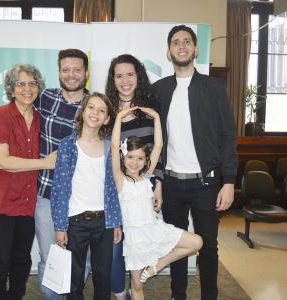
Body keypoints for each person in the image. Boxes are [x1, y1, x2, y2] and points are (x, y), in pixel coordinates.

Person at [153, 25, 238, 300]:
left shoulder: (213, 88)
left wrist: (229, 181)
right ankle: (178, 294)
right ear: (169, 52)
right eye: (176, 42)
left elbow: (227, 135)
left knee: (208, 247)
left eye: (187, 41)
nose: (181, 46)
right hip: (172, 184)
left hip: (207, 183)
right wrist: (157, 181)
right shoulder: (159, 90)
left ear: (195, 49)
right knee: (176, 244)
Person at [0, 64, 57, 300]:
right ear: (11, 89)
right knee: (0, 260)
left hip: (27, 202)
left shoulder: (42, 120)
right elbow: (1, 161)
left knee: (22, 258)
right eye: (20, 83)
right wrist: (44, 163)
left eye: (32, 83)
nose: (27, 88)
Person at [111, 105, 203, 300]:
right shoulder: (120, 180)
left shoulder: (146, 176)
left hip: (155, 230)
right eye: (130, 157)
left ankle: (158, 266)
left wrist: (156, 117)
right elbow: (113, 146)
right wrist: (119, 117)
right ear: (122, 156)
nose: (134, 162)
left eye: (140, 158)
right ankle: (149, 271)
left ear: (146, 161)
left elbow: (159, 146)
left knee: (197, 242)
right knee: (137, 286)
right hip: (135, 240)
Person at [50, 92, 122, 300]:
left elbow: (113, 188)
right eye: (91, 107)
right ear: (83, 111)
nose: (95, 113)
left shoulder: (110, 146)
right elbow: (60, 189)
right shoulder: (67, 145)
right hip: (76, 221)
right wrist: (60, 226)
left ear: (107, 119)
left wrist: (115, 222)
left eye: (102, 110)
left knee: (102, 275)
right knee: (75, 275)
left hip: (104, 222)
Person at [105, 54, 164, 300]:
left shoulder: (150, 109)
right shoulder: (106, 110)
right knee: (115, 246)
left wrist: (157, 183)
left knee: (139, 242)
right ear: (113, 80)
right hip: (113, 188)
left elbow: (158, 150)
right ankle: (120, 293)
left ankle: (136, 286)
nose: (125, 80)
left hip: (142, 187)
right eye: (119, 76)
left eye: (130, 74)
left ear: (138, 77)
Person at [33, 48, 90, 300]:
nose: (71, 74)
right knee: (49, 255)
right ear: (58, 72)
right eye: (65, 69)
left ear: (86, 73)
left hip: (82, 198)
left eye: (77, 69)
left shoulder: (95, 105)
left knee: (82, 259)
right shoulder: (44, 97)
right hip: (46, 192)